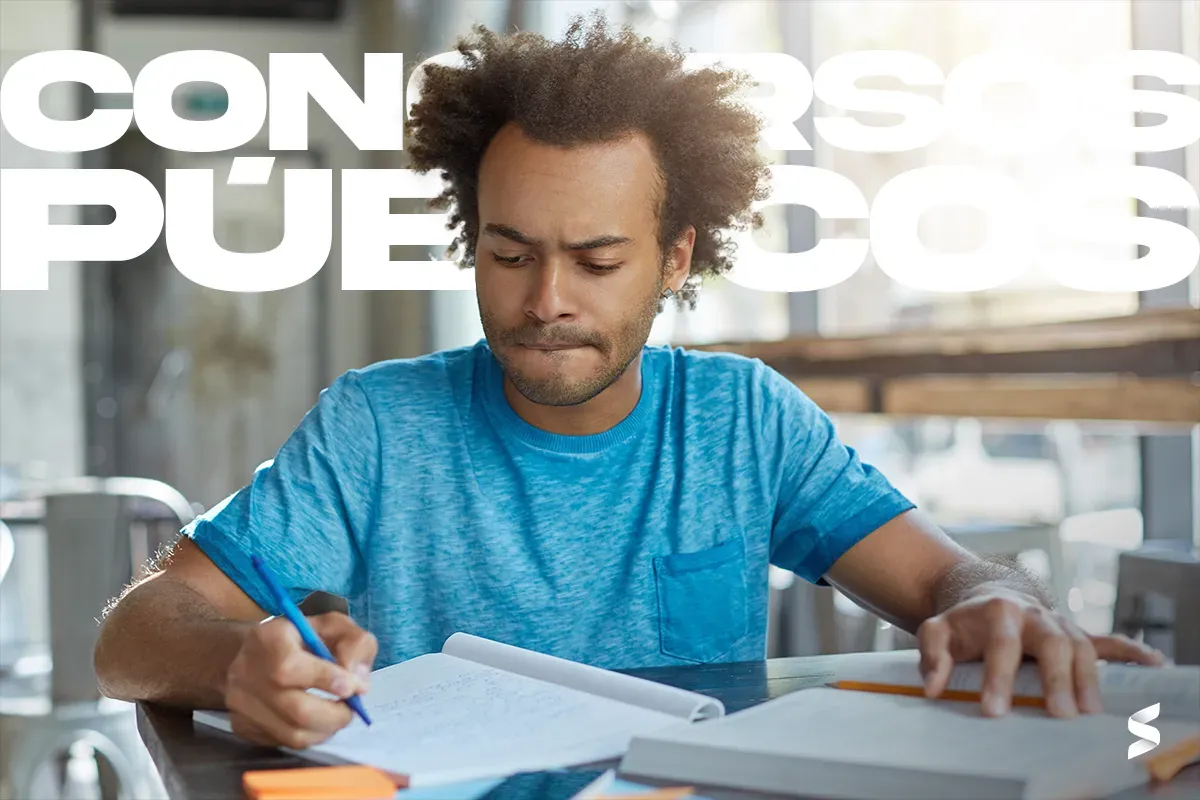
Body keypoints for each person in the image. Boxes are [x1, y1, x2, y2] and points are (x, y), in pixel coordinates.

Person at [93, 13, 1162, 750]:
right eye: (509, 254)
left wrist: (1001, 599)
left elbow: (952, 581)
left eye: (598, 261)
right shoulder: (379, 424)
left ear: (678, 259)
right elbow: (132, 632)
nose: (545, 297)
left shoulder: (745, 420)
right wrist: (239, 659)